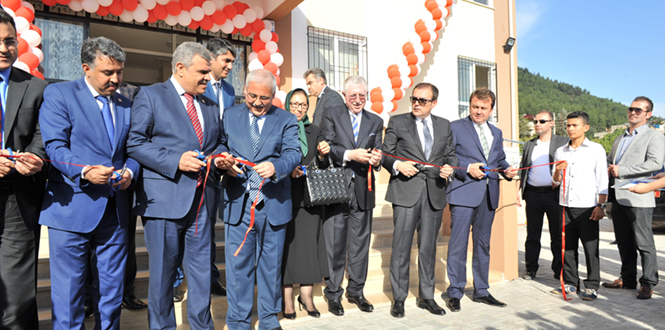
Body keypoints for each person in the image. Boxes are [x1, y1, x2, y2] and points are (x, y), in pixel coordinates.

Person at [39, 36, 139, 329]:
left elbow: (132, 151)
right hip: (71, 209)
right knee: (68, 297)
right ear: (86, 68)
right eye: (108, 72)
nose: (116, 79)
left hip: (115, 211)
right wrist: (84, 171)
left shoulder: (125, 103)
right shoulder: (59, 94)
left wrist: (130, 172)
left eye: (119, 72)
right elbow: (55, 147)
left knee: (111, 295)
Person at [127, 41, 223, 330]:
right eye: (203, 71)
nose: (209, 77)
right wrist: (175, 161)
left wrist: (220, 158)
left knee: (201, 273)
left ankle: (201, 326)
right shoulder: (151, 96)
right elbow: (135, 143)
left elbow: (216, 143)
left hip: (202, 202)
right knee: (162, 276)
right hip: (164, 201)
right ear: (180, 68)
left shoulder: (210, 104)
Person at [215, 69, 300, 330]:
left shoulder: (286, 119)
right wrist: (222, 160)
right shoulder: (230, 116)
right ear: (245, 92)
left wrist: (276, 167)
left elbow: (293, 152)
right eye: (252, 96)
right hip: (238, 204)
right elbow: (219, 144)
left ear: (273, 96)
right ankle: (238, 321)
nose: (258, 102)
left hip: (272, 203)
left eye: (264, 98)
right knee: (238, 267)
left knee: (270, 267)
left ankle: (269, 319)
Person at [382, 83, 457, 318]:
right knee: (401, 248)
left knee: (428, 248)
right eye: (414, 98)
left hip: (433, 193)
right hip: (405, 192)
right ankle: (399, 299)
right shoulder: (397, 121)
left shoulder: (444, 125)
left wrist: (449, 169)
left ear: (433, 103)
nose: (416, 103)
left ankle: (427, 297)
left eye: (422, 100)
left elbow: (451, 155)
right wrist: (397, 165)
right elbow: (385, 153)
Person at [445, 88, 516, 312]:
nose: (478, 112)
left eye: (483, 108)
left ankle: (481, 291)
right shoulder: (455, 127)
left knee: (483, 246)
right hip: (463, 192)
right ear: (470, 106)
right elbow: (447, 157)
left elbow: (500, 159)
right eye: (475, 107)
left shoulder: (496, 132)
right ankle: (455, 292)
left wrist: (507, 170)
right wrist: (467, 168)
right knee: (458, 245)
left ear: (491, 110)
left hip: (489, 196)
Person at [0, 9, 48, 330]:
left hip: (18, 202)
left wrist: (33, 158)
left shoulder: (34, 87)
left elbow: (45, 134)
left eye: (9, 41)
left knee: (18, 304)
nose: (4, 48)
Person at [320, 75, 383, 316]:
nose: (358, 100)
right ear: (344, 96)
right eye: (353, 95)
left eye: (362, 95)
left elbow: (379, 149)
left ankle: (356, 291)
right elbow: (327, 145)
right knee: (335, 243)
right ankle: (333, 293)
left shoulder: (376, 120)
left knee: (360, 245)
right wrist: (349, 154)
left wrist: (377, 159)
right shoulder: (332, 114)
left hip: (364, 192)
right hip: (338, 188)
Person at [602, 96, 664, 299]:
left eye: (638, 110)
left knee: (644, 243)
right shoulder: (620, 138)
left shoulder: (655, 136)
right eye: (631, 109)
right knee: (623, 242)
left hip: (640, 197)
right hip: (618, 196)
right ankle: (627, 279)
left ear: (648, 114)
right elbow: (610, 162)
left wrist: (623, 170)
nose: (633, 112)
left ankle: (648, 283)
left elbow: (655, 163)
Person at [281, 88, 330, 320]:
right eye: (295, 104)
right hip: (284, 196)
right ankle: (287, 300)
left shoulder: (315, 130)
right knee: (288, 248)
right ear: (287, 104)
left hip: (310, 199)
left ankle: (307, 297)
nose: (299, 109)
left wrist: (322, 155)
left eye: (303, 105)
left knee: (309, 247)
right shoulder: (278, 126)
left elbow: (322, 164)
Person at [550, 111, 608, 301]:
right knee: (567, 247)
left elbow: (602, 180)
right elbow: (555, 182)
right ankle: (570, 283)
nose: (570, 129)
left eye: (575, 125)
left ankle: (592, 286)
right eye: (568, 125)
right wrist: (558, 171)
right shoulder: (560, 151)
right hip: (565, 206)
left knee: (591, 248)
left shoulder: (596, 149)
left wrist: (601, 206)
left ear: (586, 127)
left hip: (588, 207)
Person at [517, 111, 569, 280]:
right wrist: (518, 191)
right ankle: (530, 269)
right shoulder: (529, 145)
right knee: (532, 234)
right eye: (535, 121)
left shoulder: (563, 143)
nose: (537, 123)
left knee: (557, 234)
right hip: (533, 195)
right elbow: (522, 168)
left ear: (552, 123)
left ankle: (559, 269)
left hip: (554, 195)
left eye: (542, 121)